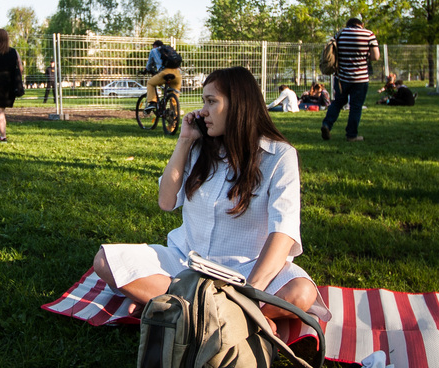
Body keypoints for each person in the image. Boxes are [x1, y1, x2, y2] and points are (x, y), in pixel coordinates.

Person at [90, 66, 331, 332]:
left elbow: (282, 234)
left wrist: (251, 292)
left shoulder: (279, 156)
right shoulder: (200, 148)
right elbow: (166, 201)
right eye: (204, 101)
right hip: (186, 265)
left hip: (247, 272)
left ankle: (174, 308)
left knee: (302, 292)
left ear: (239, 105)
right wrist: (183, 141)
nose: (202, 110)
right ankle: (232, 318)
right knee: (105, 260)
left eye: (212, 101)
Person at [321, 18, 380, 142]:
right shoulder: (369, 34)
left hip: (342, 78)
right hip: (360, 78)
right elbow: (376, 57)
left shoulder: (340, 34)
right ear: (361, 25)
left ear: (348, 25)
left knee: (337, 103)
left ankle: (327, 124)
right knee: (356, 106)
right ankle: (351, 135)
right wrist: (365, 55)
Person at [0, 28, 23, 142]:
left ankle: (3, 136)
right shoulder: (14, 52)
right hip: (11, 82)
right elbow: (21, 68)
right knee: (0, 110)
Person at [144, 40, 182, 110]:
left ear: (155, 45)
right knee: (174, 95)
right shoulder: (169, 50)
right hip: (177, 73)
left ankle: (152, 102)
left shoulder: (154, 50)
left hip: (165, 72)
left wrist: (146, 70)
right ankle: (174, 116)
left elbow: (149, 64)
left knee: (150, 83)